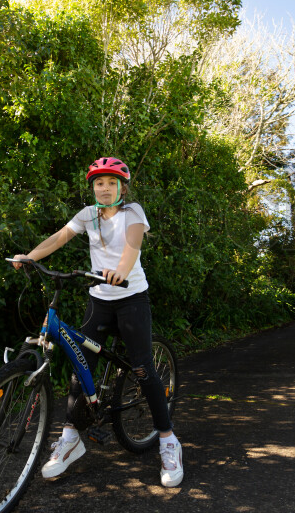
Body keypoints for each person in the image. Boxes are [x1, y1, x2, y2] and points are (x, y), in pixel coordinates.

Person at [13, 156, 183, 488]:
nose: (104, 188)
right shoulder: (88, 215)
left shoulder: (133, 213)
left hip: (131, 297)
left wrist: (121, 269)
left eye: (111, 183)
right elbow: (58, 238)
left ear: (122, 187)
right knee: (82, 366)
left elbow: (132, 245)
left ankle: (167, 440)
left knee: (143, 368)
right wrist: (29, 257)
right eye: (98, 183)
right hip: (100, 300)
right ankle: (71, 438)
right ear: (92, 188)